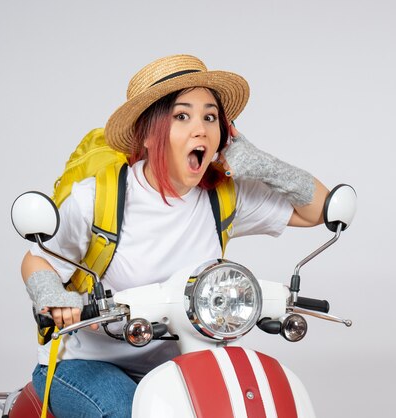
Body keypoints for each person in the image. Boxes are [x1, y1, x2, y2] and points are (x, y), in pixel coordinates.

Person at [21, 54, 329, 417]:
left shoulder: (222, 197)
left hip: (181, 364)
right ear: (149, 134)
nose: (200, 129)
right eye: (182, 116)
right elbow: (36, 258)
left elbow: (320, 210)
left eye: (210, 117)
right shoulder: (98, 199)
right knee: (125, 411)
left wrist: (261, 162)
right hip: (86, 363)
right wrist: (51, 295)